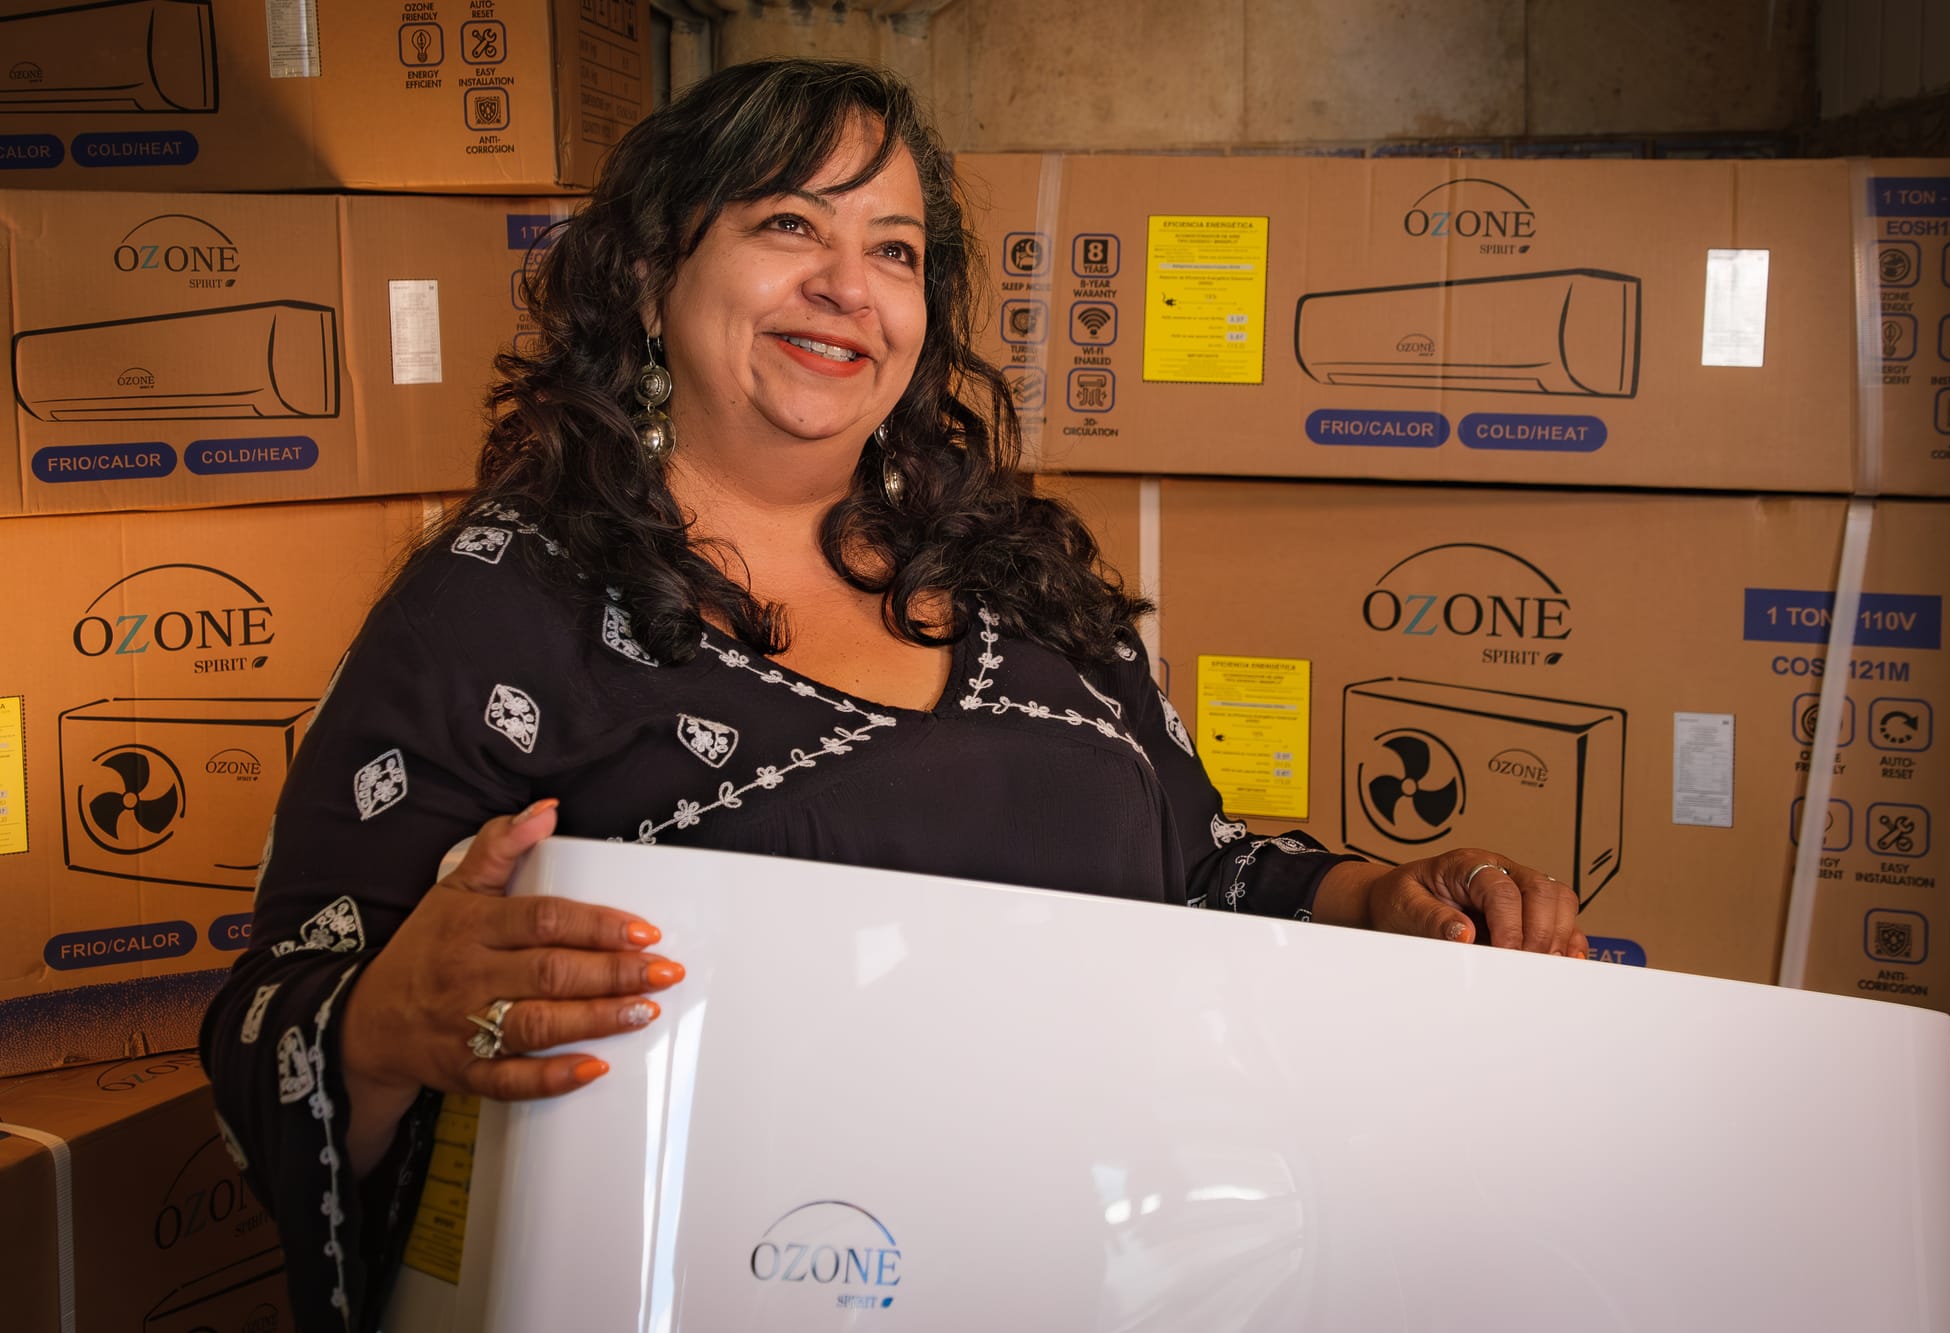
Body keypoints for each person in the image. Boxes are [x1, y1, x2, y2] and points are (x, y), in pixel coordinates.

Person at [201, 58, 1588, 1332]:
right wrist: (386, 1020)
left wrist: (1383, 896)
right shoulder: (500, 600)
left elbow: (1202, 875)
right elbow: (278, 1017)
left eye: (896, 251)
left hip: (1095, 1283)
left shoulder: (1019, 572)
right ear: (650, 272)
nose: (848, 287)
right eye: (789, 226)